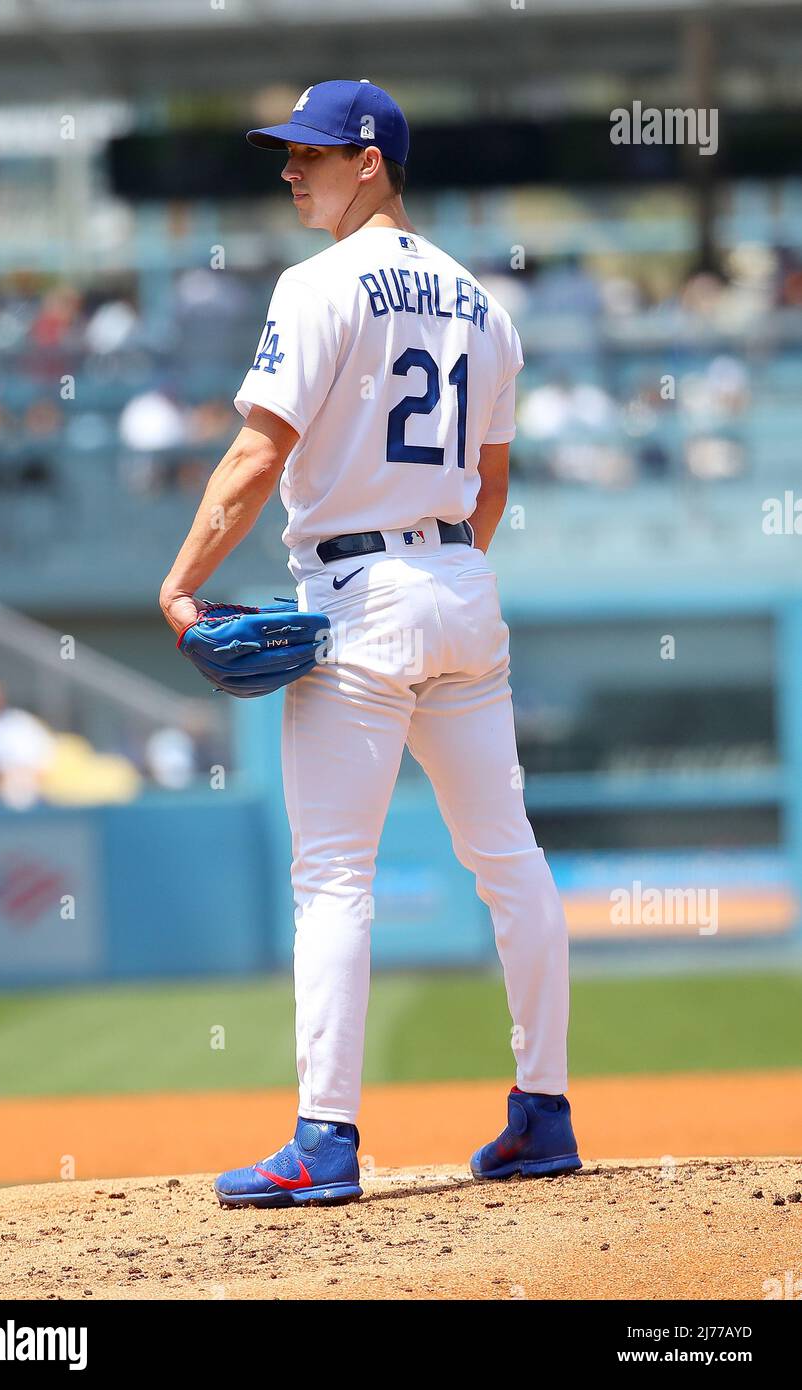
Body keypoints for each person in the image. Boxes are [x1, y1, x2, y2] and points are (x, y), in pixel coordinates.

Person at [160, 80, 581, 1208]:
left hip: (355, 588)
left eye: (310, 153)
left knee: (334, 876)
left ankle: (324, 1142)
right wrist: (442, 567)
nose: (290, 170)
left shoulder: (317, 284)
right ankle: (542, 1114)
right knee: (509, 860)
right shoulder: (482, 302)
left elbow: (254, 458)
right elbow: (490, 481)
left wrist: (183, 582)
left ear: (371, 161)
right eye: (287, 153)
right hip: (458, 580)